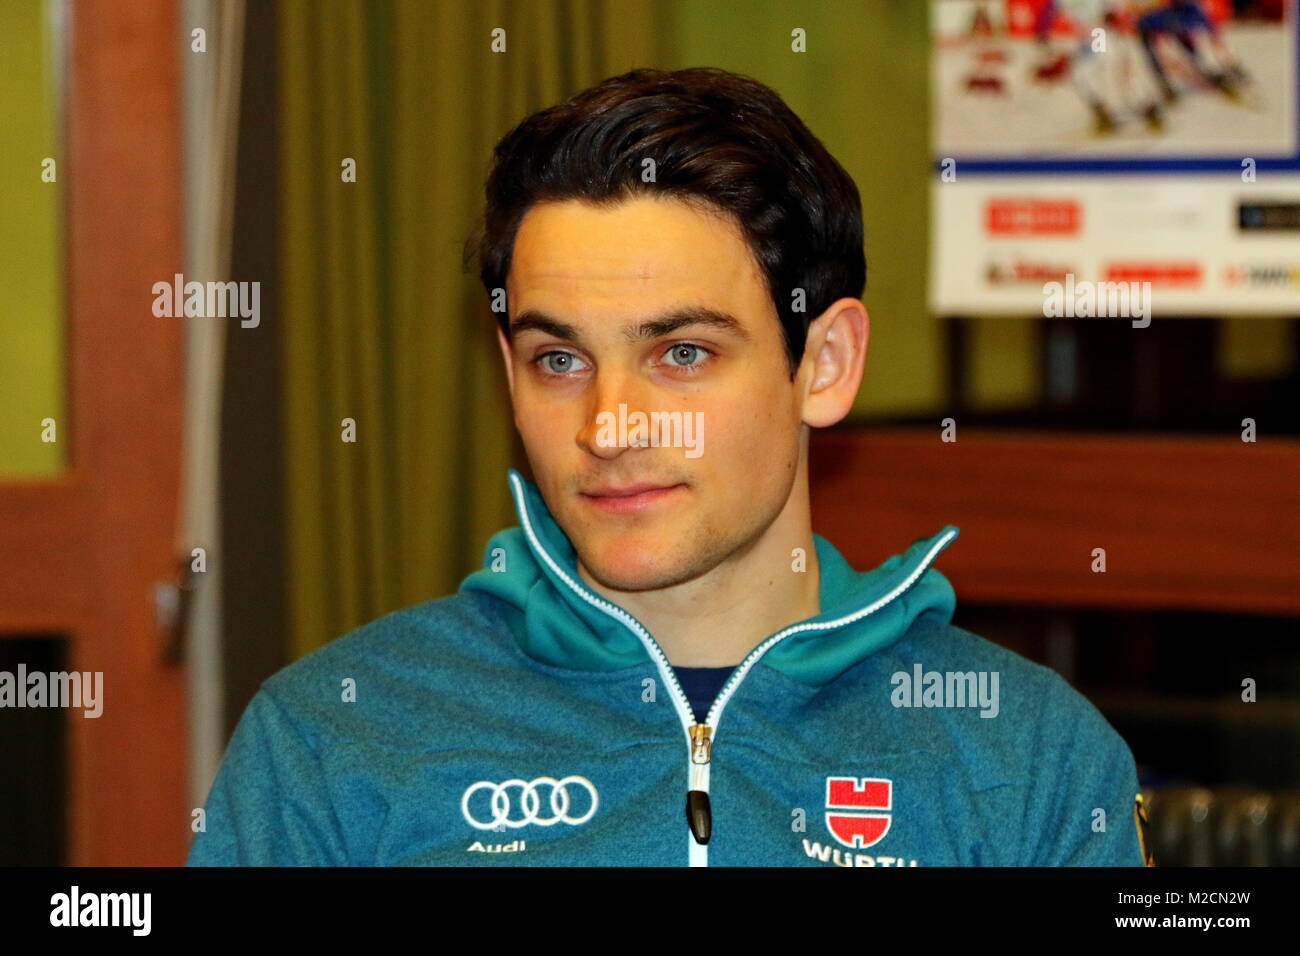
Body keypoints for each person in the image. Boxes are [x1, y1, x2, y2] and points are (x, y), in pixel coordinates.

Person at [187, 67, 1150, 867]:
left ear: (824, 364)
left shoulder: (1031, 760)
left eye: (681, 354)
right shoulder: (331, 739)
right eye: (557, 361)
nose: (609, 427)